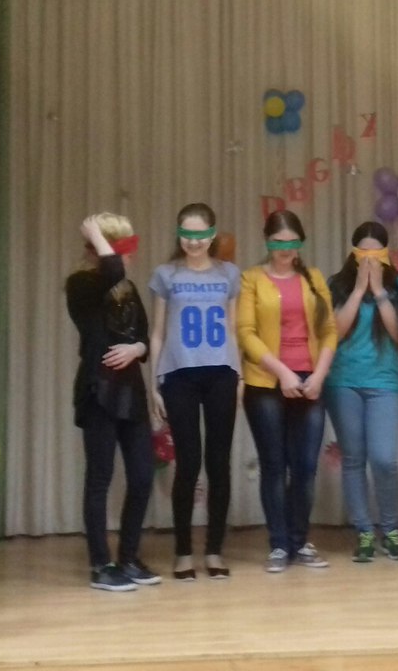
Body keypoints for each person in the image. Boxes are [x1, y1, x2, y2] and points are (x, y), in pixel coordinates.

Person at [237, 210, 337, 573]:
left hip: (310, 381)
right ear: (267, 241)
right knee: (274, 465)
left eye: (292, 241)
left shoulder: (314, 278)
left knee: (306, 467)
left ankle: (299, 540)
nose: (285, 248)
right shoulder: (251, 279)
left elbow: (329, 330)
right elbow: (245, 332)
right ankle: (279, 544)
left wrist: (319, 375)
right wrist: (282, 373)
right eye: (278, 242)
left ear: (301, 243)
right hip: (266, 383)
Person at [64, 213, 160, 591]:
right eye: (121, 248)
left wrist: (137, 349)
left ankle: (129, 557)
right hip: (98, 390)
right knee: (100, 478)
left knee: (142, 476)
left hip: (131, 391)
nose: (128, 256)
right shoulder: (80, 284)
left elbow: (144, 337)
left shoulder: (129, 288)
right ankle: (101, 564)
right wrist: (98, 237)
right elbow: (112, 270)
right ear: (96, 249)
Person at [147, 203, 241, 581]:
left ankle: (215, 550)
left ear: (212, 235)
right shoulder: (165, 274)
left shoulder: (229, 273)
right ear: (178, 235)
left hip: (221, 373)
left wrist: (240, 375)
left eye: (200, 234)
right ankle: (183, 552)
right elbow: (157, 333)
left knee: (219, 462)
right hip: (179, 374)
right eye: (186, 234)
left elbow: (233, 328)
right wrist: (153, 383)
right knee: (188, 462)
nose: (193, 241)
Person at [324, 222, 398, 562]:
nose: (370, 260)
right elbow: (334, 332)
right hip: (343, 381)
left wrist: (378, 291)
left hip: (383, 383)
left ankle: (390, 530)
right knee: (353, 459)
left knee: (384, 459)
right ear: (353, 254)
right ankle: (363, 532)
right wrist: (359, 289)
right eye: (364, 253)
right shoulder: (336, 284)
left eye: (377, 254)